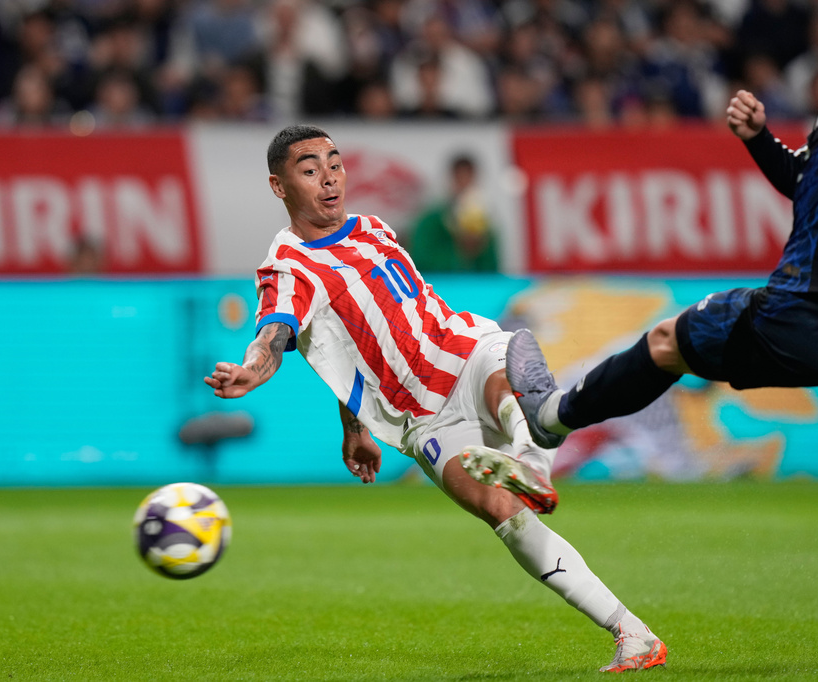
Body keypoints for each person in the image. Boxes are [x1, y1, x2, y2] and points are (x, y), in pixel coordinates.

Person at [206, 124, 668, 673]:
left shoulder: (374, 229)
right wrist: (258, 371)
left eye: (335, 163)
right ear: (279, 187)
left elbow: (352, 340)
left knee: (507, 386)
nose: (329, 179)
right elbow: (280, 337)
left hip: (465, 352)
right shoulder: (288, 268)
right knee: (503, 514)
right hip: (420, 418)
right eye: (310, 170)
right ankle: (632, 634)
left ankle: (531, 459)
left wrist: (353, 426)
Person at [500, 0, 818, 503]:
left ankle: (551, 416)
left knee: (667, 342)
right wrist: (759, 141)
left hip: (808, 308)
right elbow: (808, 185)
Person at [409, 154, 500, 273]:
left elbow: (492, 270)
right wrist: (460, 250)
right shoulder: (429, 222)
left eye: (468, 179)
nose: (464, 185)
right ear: (451, 180)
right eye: (459, 179)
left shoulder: (485, 224)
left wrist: (478, 247)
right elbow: (420, 262)